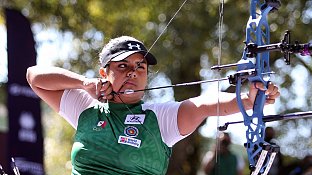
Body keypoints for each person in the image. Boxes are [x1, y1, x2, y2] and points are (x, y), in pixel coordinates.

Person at [26, 35, 280, 175]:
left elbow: (203, 105)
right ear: (104, 73)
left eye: (141, 68)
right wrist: (84, 84)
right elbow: (34, 77)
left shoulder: (158, 118)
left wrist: (248, 100)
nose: (133, 74)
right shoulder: (86, 107)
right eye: (123, 66)